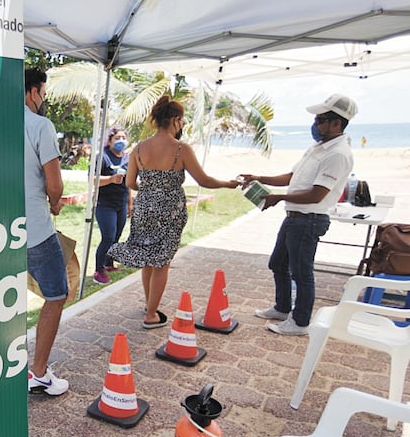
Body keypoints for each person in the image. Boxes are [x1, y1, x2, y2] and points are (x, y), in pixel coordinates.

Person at [109, 95, 239, 328]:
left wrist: (150, 191)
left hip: (144, 208)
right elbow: (204, 180)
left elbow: (130, 183)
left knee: (149, 258)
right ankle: (151, 315)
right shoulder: (181, 149)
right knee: (162, 262)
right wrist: (228, 184)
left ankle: (150, 305)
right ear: (176, 120)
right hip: (169, 211)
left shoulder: (138, 148)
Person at [241, 93, 357, 336]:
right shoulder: (319, 147)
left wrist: (279, 197)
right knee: (278, 264)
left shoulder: (337, 154)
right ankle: (282, 308)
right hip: (295, 217)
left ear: (337, 123)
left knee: (301, 272)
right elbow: (292, 177)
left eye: (320, 120)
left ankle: (300, 322)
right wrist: (260, 177)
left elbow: (316, 195)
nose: (315, 125)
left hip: (309, 220)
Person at [23, 68, 69, 395]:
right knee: (56, 294)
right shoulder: (40, 125)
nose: (42, 100)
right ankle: (38, 372)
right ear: (32, 91)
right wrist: (55, 203)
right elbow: (55, 184)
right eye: (42, 93)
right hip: (36, 229)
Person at [93, 126, 132, 284]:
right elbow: (93, 180)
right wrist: (110, 179)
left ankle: (109, 263)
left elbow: (128, 182)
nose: (121, 141)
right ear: (109, 141)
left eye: (123, 137)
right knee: (108, 237)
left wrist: (130, 203)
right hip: (104, 204)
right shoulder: (102, 157)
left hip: (120, 204)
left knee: (116, 236)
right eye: (117, 138)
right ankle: (98, 270)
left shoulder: (127, 158)